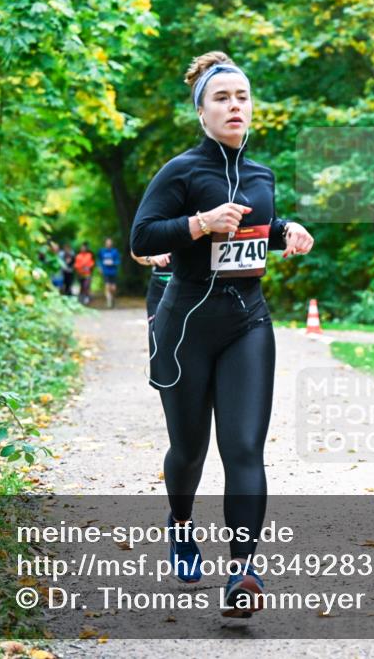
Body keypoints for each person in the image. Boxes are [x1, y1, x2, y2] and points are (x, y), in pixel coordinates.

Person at [130, 51, 313, 616]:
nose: (236, 107)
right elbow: (142, 238)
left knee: (243, 449)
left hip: (247, 323)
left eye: (242, 98)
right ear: (202, 112)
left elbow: (256, 230)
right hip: (184, 325)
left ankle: (242, 573)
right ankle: (181, 523)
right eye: (222, 99)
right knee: (190, 450)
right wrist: (200, 223)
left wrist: (288, 230)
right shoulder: (181, 171)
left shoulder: (262, 174)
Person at [98, 237, 122, 308]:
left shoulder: (115, 251)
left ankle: (112, 298)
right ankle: (108, 300)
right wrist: (100, 267)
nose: (108, 244)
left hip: (113, 272)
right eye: (107, 242)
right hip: (105, 272)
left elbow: (118, 261)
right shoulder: (102, 251)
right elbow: (99, 260)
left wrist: (113, 263)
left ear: (111, 243)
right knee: (107, 286)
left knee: (113, 288)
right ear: (105, 243)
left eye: (110, 242)